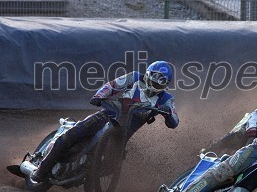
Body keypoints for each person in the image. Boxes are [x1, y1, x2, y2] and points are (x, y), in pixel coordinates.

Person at [30, 60, 179, 182]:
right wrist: (99, 96)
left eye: (161, 80)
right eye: (154, 76)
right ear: (147, 74)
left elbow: (174, 120)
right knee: (72, 134)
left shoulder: (166, 99)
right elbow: (112, 86)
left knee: (111, 166)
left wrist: (168, 114)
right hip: (106, 115)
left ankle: (88, 176)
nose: (156, 81)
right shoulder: (134, 77)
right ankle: (41, 170)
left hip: (125, 131)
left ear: (166, 84)